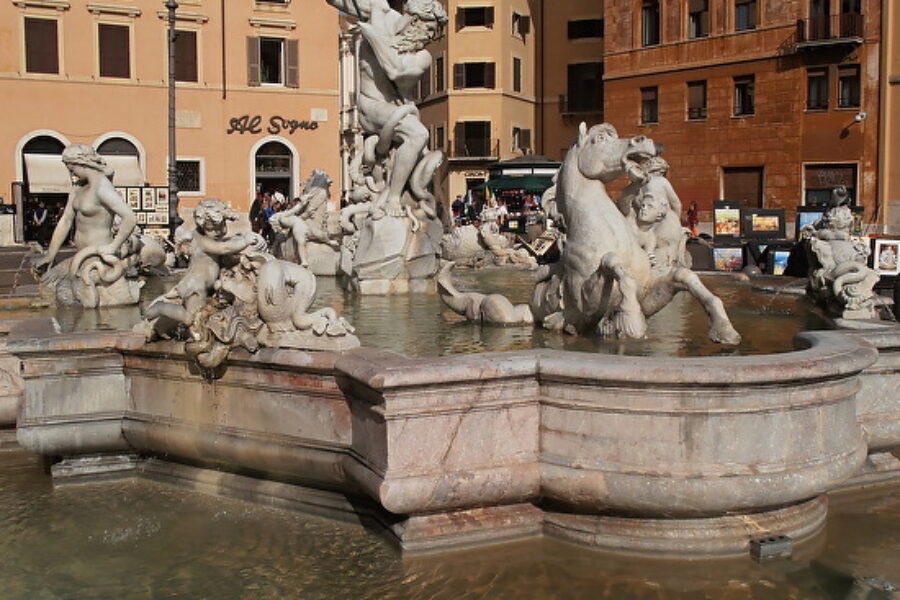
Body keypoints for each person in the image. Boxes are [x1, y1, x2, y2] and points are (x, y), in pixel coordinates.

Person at [325, 0, 447, 216]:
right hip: (370, 105)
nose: (429, 37)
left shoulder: (422, 56)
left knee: (418, 138)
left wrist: (373, 34)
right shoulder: (380, 12)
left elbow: (394, 72)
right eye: (429, 29)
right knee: (418, 134)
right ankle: (392, 198)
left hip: (399, 112)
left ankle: (394, 195)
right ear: (414, 19)